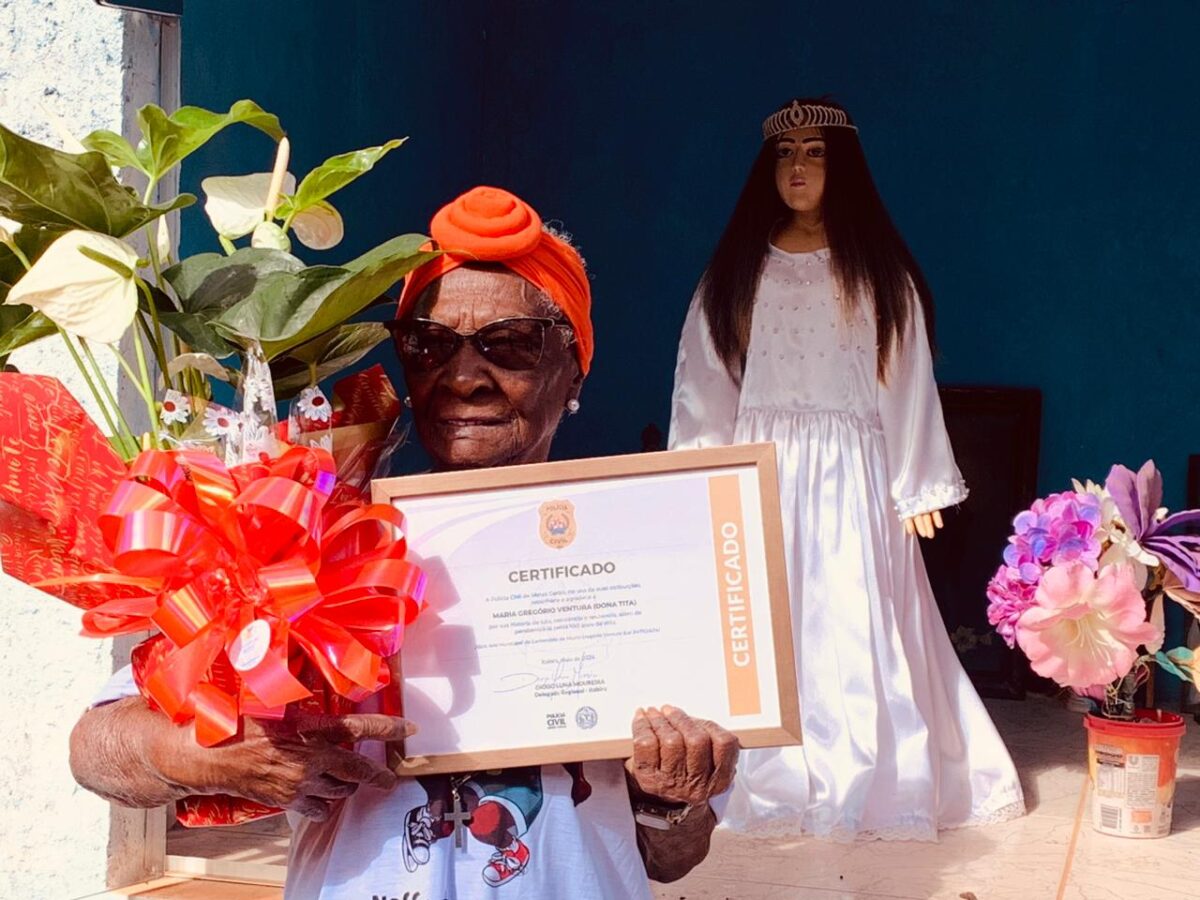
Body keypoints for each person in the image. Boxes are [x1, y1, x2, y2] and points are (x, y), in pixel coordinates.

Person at [70, 186, 738, 898]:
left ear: (574, 367)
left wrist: (674, 799)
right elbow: (97, 750)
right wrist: (218, 757)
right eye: (429, 345)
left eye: (509, 345)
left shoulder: (646, 562)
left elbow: (671, 857)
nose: (464, 376)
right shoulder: (310, 541)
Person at [669, 98, 1024, 841]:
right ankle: (768, 765)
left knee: (857, 617)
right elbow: (706, 381)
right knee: (769, 617)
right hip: (761, 472)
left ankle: (872, 769)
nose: (797, 168)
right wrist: (702, 473)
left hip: (854, 475)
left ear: (844, 168)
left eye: (815, 153)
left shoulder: (877, 274)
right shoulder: (738, 272)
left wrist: (916, 480)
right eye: (785, 154)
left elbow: (907, 380)